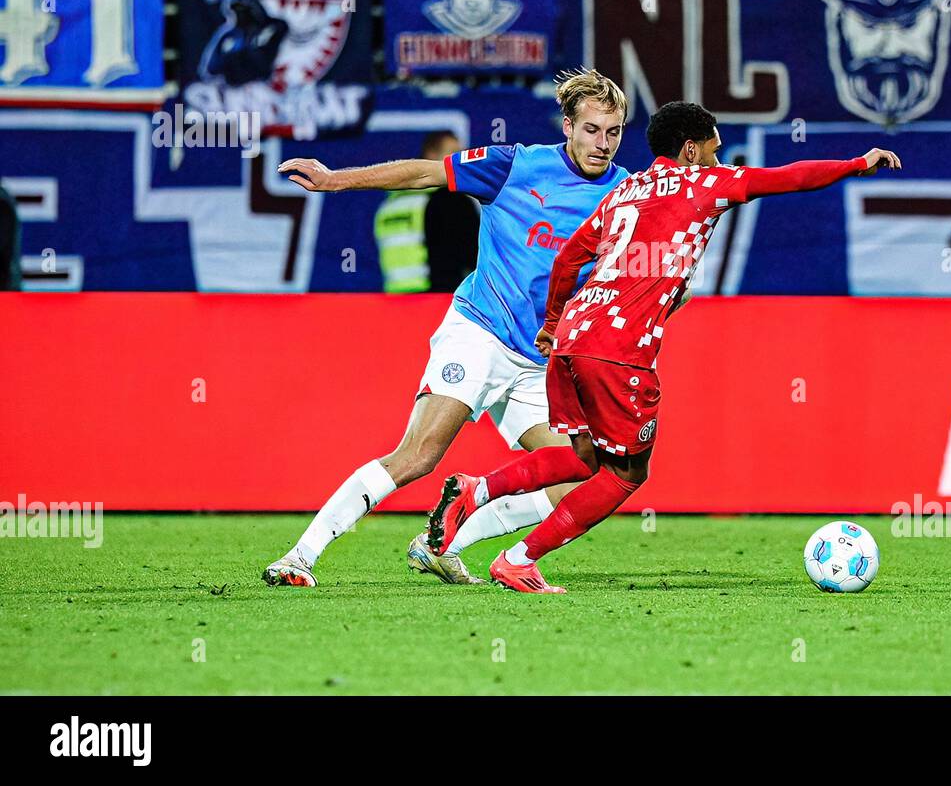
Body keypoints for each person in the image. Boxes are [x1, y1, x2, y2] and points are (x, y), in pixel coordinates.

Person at [425, 102, 902, 593]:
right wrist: (857, 164)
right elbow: (790, 177)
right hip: (619, 351)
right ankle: (518, 560)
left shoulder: (624, 190)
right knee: (627, 474)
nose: (720, 164)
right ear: (691, 150)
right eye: (715, 153)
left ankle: (475, 489)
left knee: (581, 456)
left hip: (572, 339)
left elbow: (569, 256)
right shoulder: (704, 184)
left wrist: (552, 323)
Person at [262, 70, 632, 587]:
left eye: (613, 132)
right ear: (568, 125)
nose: (603, 143)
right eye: (592, 129)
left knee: (580, 470)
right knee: (419, 455)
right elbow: (423, 174)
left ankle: (441, 544)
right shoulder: (515, 166)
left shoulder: (626, 195)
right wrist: (334, 179)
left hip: (539, 359)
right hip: (480, 332)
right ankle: (299, 556)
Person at [373, 130, 479, 294]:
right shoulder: (450, 201)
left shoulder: (389, 205)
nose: (461, 163)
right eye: (454, 155)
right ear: (431, 155)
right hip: (437, 300)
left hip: (394, 298)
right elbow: (474, 256)